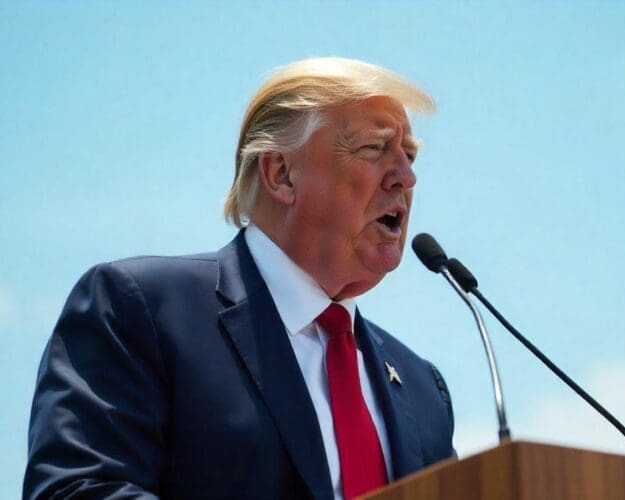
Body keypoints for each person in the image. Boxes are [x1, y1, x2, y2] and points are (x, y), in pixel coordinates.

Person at [24, 57, 455, 499]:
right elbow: (80, 491)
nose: (406, 176)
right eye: (374, 148)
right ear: (281, 174)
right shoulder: (141, 311)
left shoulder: (423, 389)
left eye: (409, 155)